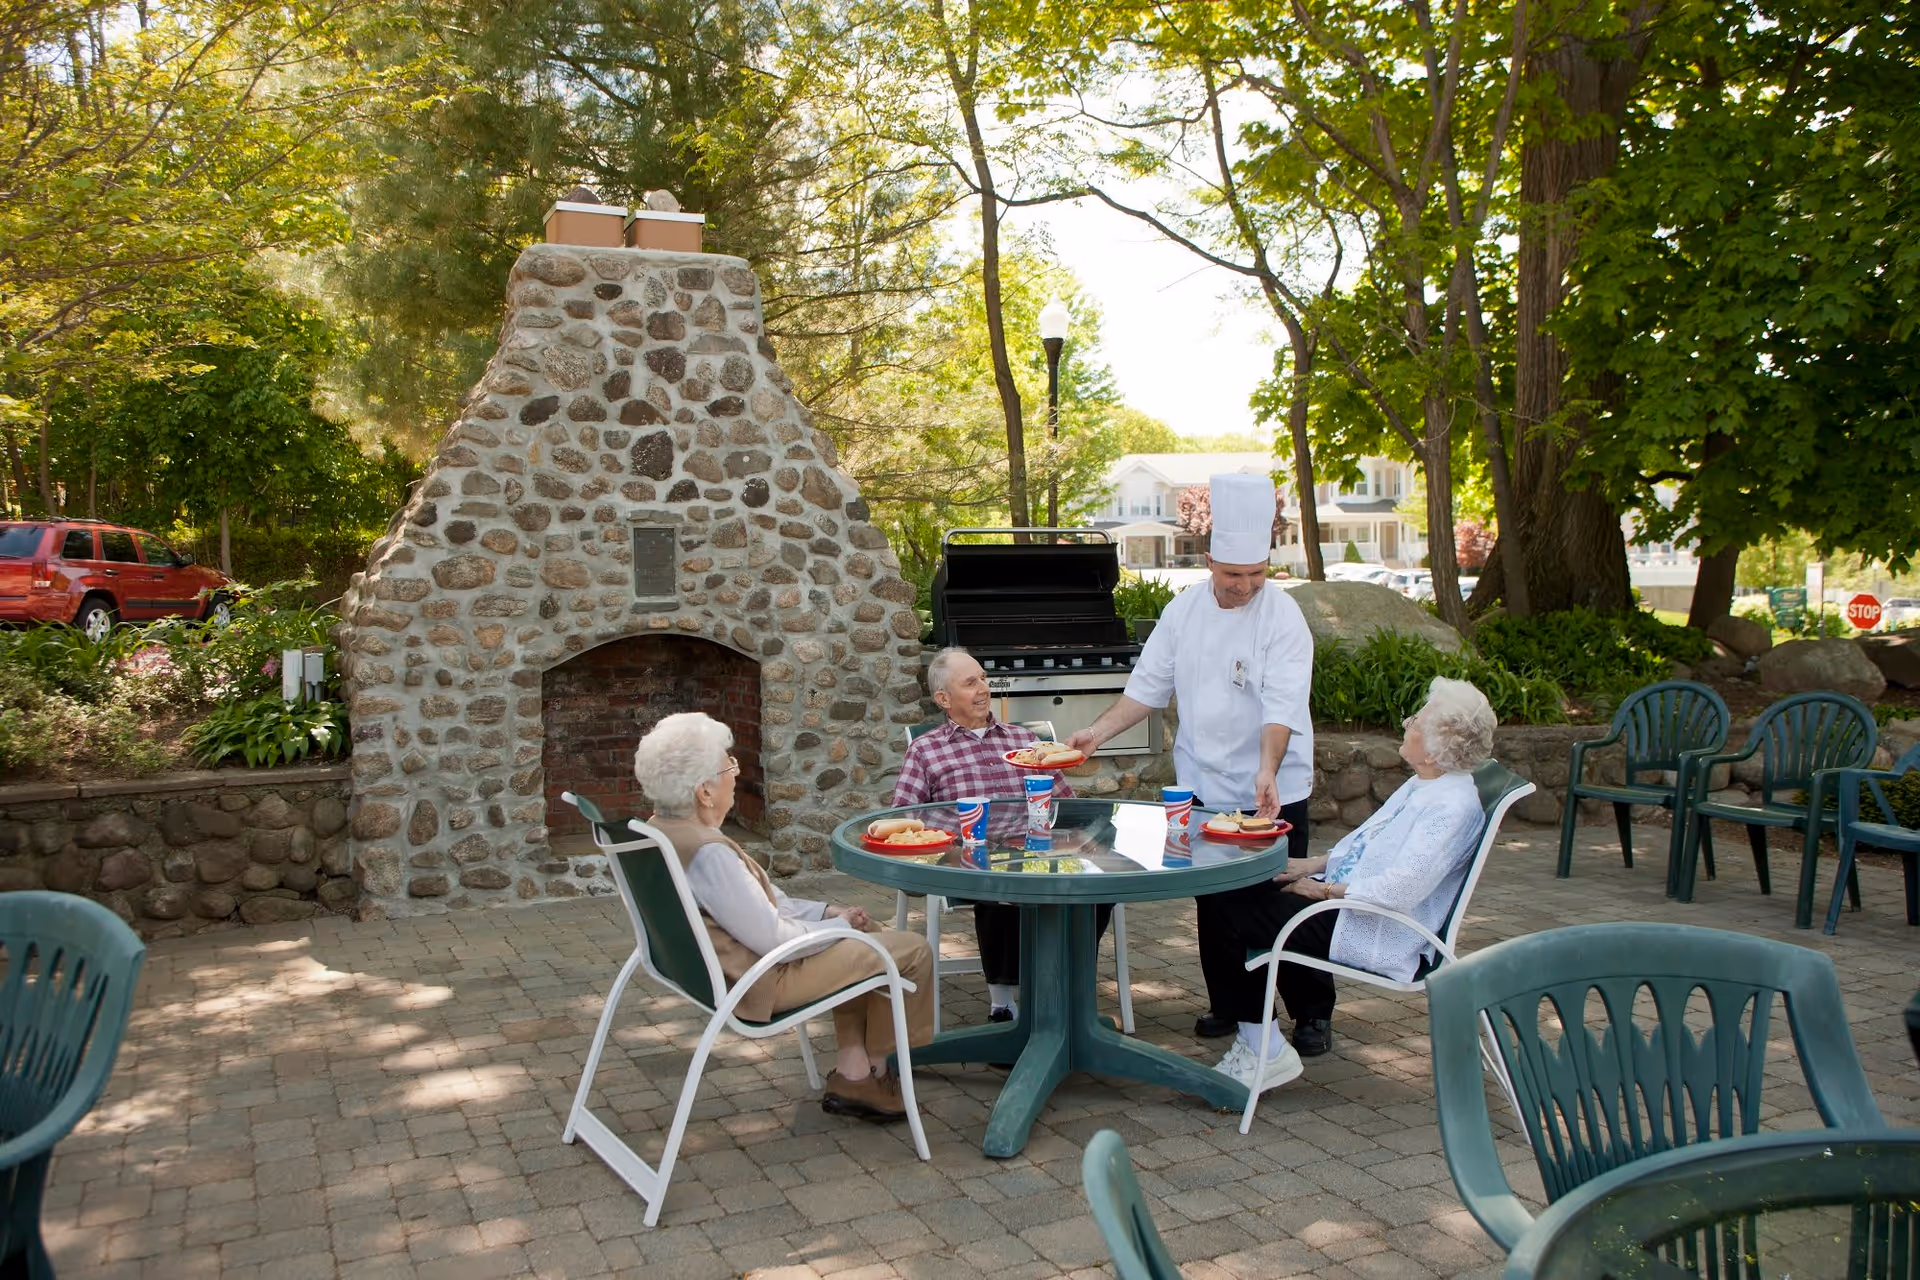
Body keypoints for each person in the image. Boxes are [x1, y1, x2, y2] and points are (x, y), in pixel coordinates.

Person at [1066, 472, 1315, 1046]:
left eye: (1256, 574)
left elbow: (1281, 707)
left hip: (1274, 783)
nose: (1246, 586)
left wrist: (1267, 769)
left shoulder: (1283, 618)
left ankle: (1311, 1009)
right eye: (1234, 575)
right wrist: (1097, 734)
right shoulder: (1183, 615)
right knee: (1218, 903)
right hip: (1204, 779)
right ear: (1209, 561)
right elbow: (1146, 689)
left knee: (1285, 898)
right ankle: (1232, 1005)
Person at [634, 711, 934, 1122]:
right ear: (704, 791)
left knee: (874, 935)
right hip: (761, 982)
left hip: (731, 970)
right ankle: (874, 1071)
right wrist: (838, 927)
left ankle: (853, 1068)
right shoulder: (709, 853)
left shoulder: (663, 829)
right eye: (729, 766)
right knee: (912, 950)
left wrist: (830, 912)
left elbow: (765, 903)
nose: (735, 775)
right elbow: (773, 938)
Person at [1200, 677, 1496, 1089]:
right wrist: (1312, 867)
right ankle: (1259, 1040)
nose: (1406, 724)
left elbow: (1400, 890)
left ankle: (1262, 1048)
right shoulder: (1428, 783)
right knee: (1234, 890)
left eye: (1415, 721)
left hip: (1374, 925)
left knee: (1229, 911)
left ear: (1432, 750)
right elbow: (1368, 847)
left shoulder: (1451, 807)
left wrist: (1323, 890)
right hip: (1349, 903)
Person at [891, 647, 1108, 1025]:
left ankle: (1064, 991)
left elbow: (1065, 804)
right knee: (1003, 884)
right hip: (969, 853)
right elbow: (904, 817)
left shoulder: (1023, 741)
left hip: (1034, 848)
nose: (983, 688)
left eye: (984, 679)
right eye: (970, 682)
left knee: (1098, 887)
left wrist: (1074, 838)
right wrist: (946, 843)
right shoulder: (926, 750)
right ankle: (1004, 1005)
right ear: (944, 699)